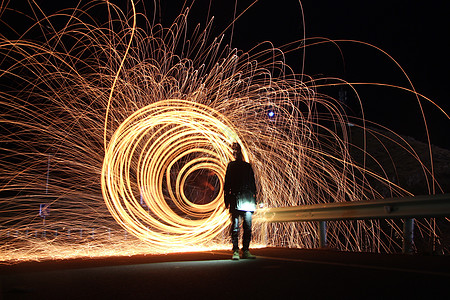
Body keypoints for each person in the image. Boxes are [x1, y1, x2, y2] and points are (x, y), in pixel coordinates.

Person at [224, 142, 257, 260]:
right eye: (234, 151)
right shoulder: (231, 166)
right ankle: (236, 250)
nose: (235, 153)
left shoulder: (247, 166)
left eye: (237, 151)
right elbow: (227, 184)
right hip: (236, 200)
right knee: (236, 227)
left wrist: (255, 199)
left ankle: (246, 250)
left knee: (247, 226)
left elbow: (253, 184)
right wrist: (226, 199)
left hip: (247, 201)